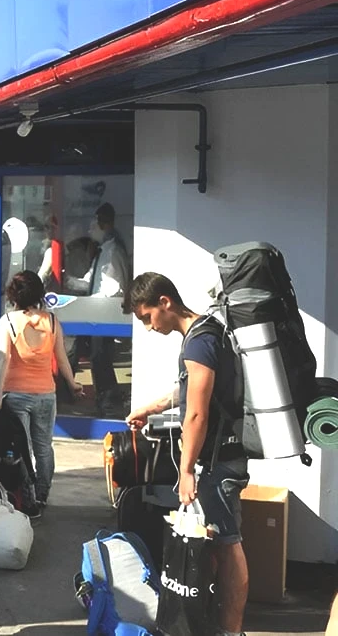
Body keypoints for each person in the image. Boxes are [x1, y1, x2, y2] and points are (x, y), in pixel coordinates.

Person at [124, 272, 249, 636]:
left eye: (147, 317)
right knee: (217, 544)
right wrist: (151, 407)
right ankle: (214, 624)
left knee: (228, 545)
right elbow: (186, 391)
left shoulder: (199, 342)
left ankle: (231, 632)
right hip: (218, 459)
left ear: (165, 302)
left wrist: (187, 470)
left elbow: (197, 412)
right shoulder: (203, 334)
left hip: (217, 462)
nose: (148, 327)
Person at [0, 271, 83, 512]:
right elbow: (62, 359)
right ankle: (43, 493)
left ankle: (28, 497)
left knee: (23, 449)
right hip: (46, 394)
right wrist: (72, 384)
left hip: (15, 393)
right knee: (44, 447)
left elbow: (3, 360)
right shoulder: (51, 321)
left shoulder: (7, 322)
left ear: (13, 295)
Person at [86, 202, 132, 413]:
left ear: (104, 224)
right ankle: (106, 396)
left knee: (101, 357)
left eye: (93, 225)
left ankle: (109, 399)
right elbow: (93, 282)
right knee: (99, 358)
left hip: (104, 312)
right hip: (98, 310)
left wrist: (90, 302)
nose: (89, 230)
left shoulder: (112, 251)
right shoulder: (104, 250)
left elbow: (113, 288)